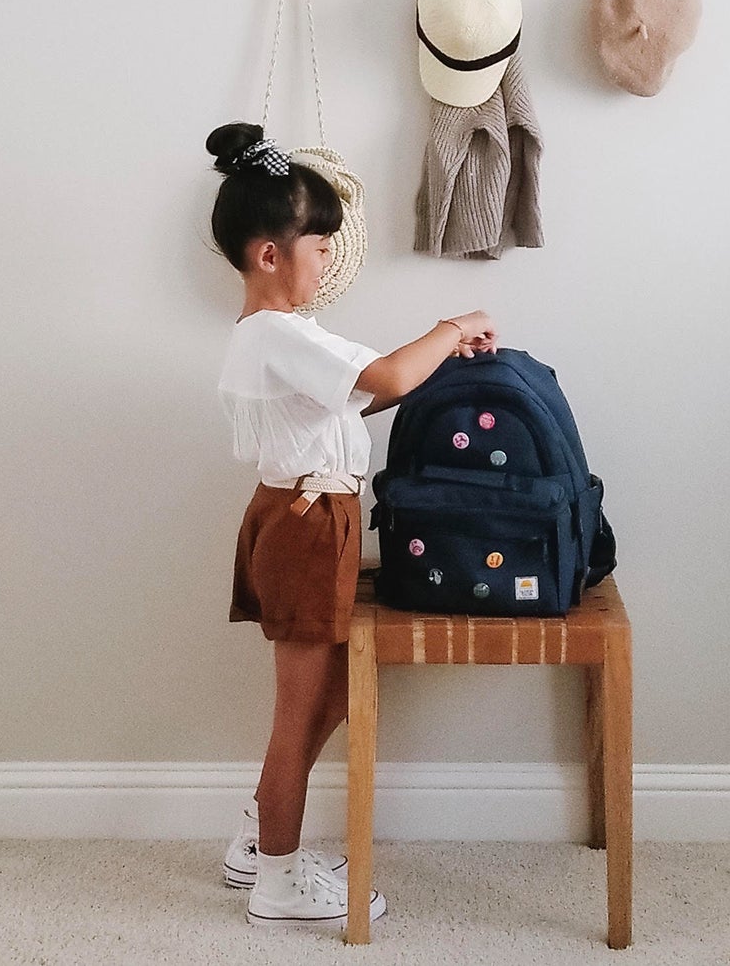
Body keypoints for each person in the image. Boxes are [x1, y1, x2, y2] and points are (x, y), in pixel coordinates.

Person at [206, 121, 499, 931]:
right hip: (306, 524)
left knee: (330, 690)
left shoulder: (268, 340)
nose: (328, 262)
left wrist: (441, 354)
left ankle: (259, 834)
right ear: (272, 254)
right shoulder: (280, 335)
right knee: (299, 709)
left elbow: (369, 394)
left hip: (306, 515)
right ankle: (277, 879)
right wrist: (454, 323)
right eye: (322, 248)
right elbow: (389, 372)